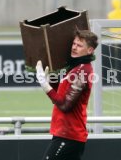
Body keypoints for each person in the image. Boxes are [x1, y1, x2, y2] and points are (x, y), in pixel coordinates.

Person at [35, 30, 98, 160]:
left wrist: (44, 84)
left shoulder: (83, 70)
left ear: (90, 50)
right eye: (74, 44)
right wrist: (50, 80)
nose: (74, 47)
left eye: (79, 45)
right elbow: (59, 97)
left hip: (69, 135)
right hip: (66, 134)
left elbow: (65, 105)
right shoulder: (75, 67)